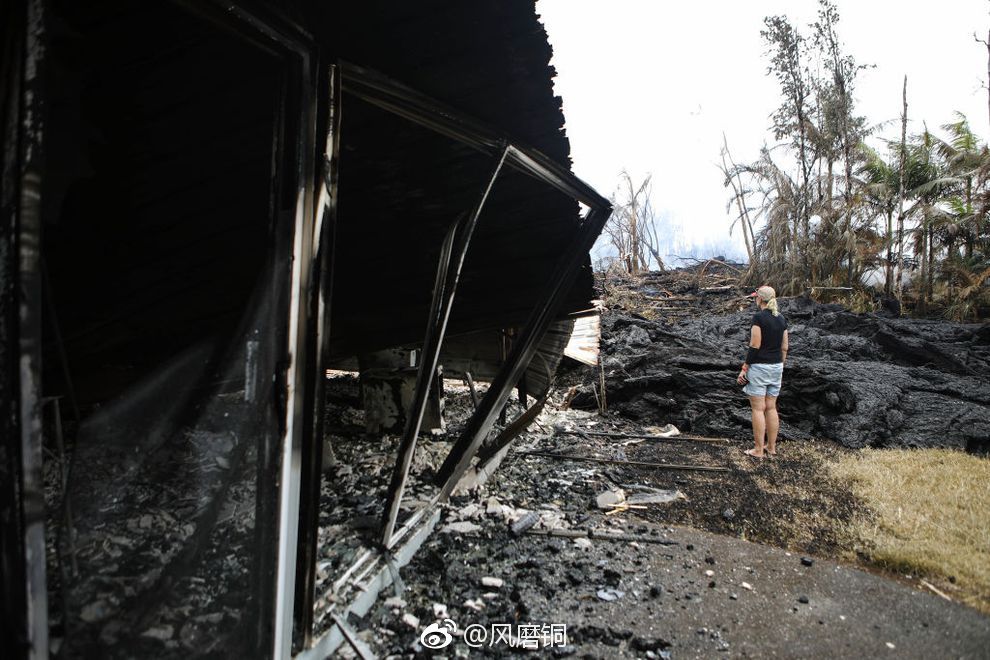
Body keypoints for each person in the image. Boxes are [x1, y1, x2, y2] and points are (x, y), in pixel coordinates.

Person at [736, 285, 788, 458]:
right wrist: (780, 364)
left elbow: (755, 345)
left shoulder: (758, 318)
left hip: (759, 367)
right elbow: (785, 347)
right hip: (777, 367)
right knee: (771, 407)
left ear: (759, 299)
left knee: (758, 409)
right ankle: (771, 448)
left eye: (756, 297)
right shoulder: (781, 319)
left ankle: (758, 450)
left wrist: (745, 368)